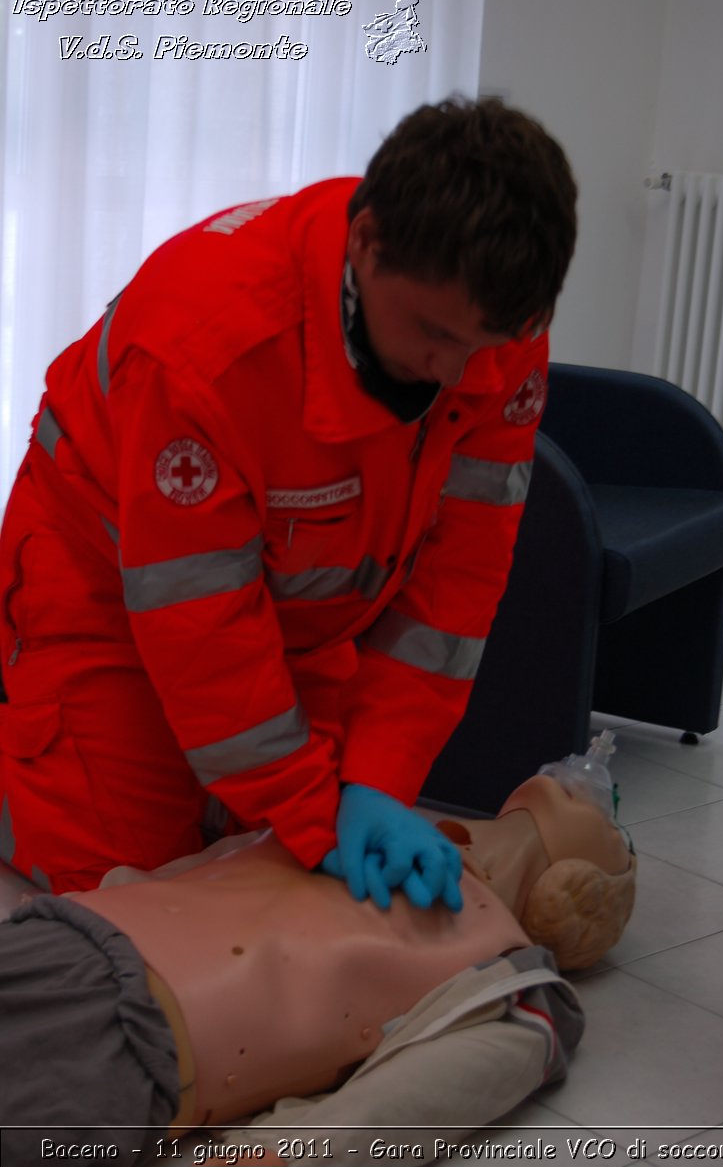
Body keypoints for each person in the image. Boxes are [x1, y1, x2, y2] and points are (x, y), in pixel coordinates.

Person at [0, 96, 578, 900]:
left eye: (483, 346)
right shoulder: (203, 352)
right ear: (366, 242)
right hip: (104, 584)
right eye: (434, 336)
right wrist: (311, 809)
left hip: (301, 604)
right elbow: (201, 627)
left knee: (279, 876)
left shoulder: (491, 325)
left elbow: (457, 582)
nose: (458, 373)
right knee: (121, 891)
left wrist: (377, 779)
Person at [0, 773, 634, 1167]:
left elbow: (433, 1094)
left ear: (580, 886)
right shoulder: (357, 815)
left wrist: (295, 1152)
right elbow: (201, 874)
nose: (575, 776)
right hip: (59, 942)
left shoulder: (517, 980)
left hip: (130, 1039)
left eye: (604, 819)